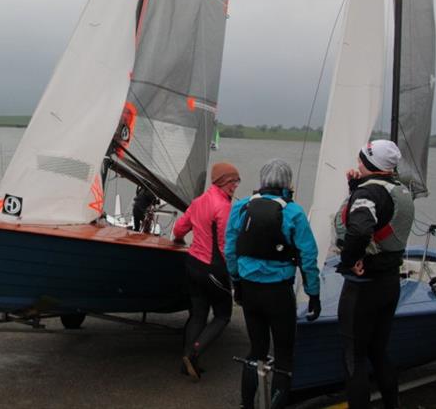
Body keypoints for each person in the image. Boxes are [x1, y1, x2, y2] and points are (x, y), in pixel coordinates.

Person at [224, 158, 321, 409]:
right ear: (288, 184)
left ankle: (247, 405)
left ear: (262, 181)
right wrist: (313, 294)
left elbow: (231, 249)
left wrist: (237, 282)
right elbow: (308, 257)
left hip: (249, 290)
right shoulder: (294, 212)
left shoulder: (242, 207)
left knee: (256, 350)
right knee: (284, 357)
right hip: (279, 293)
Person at [335, 140, 414, 409]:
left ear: (371, 163)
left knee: (353, 357)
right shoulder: (400, 189)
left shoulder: (369, 194)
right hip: (389, 282)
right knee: (378, 352)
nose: (357, 165)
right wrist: (355, 188)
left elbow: (359, 229)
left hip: (363, 287)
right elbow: (381, 214)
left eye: (361, 160)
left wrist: (348, 261)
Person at [172, 162, 240, 380]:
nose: (235, 186)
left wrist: (179, 240)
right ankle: (193, 354)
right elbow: (225, 245)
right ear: (221, 181)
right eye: (232, 181)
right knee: (222, 316)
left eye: (236, 181)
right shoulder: (224, 207)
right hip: (213, 269)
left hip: (192, 265)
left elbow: (179, 228)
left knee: (198, 314)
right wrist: (234, 275)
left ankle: (186, 363)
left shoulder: (199, 201)